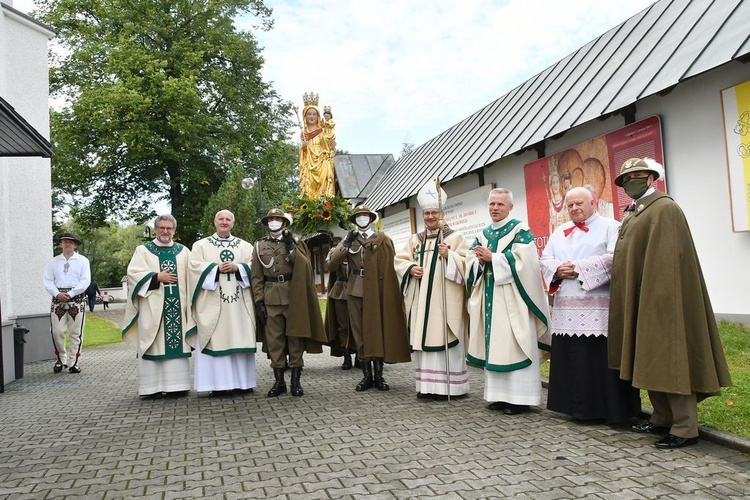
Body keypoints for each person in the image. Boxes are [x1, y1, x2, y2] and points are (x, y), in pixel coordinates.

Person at [607, 158, 732, 449]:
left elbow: (668, 261)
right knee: (650, 357)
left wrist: (660, 300)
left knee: (671, 359)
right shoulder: (636, 212)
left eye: (637, 176)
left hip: (663, 299)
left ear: (652, 177)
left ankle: (686, 428)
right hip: (641, 297)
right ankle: (661, 418)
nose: (631, 182)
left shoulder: (665, 209)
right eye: (626, 178)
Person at [540, 187, 640, 423]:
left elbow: (616, 258)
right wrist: (556, 269)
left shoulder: (611, 226)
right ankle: (574, 408)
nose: (574, 208)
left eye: (578, 203)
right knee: (572, 358)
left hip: (598, 307)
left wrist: (579, 267)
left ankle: (607, 410)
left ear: (593, 202)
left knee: (597, 360)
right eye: (570, 205)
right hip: (566, 308)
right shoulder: (559, 231)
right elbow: (544, 259)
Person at [466, 188, 551, 415]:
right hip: (490, 300)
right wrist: (480, 262)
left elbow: (528, 263)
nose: (495, 208)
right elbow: (470, 262)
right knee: (495, 348)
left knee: (515, 345)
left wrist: (493, 258)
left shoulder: (520, 230)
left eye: (500, 205)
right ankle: (499, 397)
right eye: (492, 204)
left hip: (514, 300)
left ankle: (520, 400)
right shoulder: (483, 233)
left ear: (510, 207)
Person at [394, 181, 470, 399]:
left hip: (446, 301)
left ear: (442, 214)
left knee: (446, 340)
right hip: (422, 303)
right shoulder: (415, 240)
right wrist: (410, 269)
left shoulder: (455, 238)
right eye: (426, 213)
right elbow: (399, 261)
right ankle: (426, 387)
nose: (429, 217)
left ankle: (452, 388)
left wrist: (450, 256)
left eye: (433, 213)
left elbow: (468, 264)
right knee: (424, 341)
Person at [328, 205, 411, 392]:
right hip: (355, 288)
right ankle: (366, 375)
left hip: (377, 289)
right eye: (359, 216)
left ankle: (379, 376)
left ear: (371, 218)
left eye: (365, 216)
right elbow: (332, 264)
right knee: (359, 332)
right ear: (354, 220)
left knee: (377, 330)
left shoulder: (383, 239)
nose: (362, 219)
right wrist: (346, 243)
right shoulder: (350, 240)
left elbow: (391, 266)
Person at [251, 208, 327, 397]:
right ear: (267, 223)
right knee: (274, 340)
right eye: (271, 219)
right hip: (270, 298)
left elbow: (305, 267)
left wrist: (291, 248)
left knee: (295, 338)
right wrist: (259, 300)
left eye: (278, 219)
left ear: (284, 223)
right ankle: (279, 382)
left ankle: (295, 381)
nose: (274, 222)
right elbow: (256, 276)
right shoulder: (260, 246)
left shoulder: (295, 242)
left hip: (294, 297)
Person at [188, 210, 257, 397]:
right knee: (215, 339)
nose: (224, 222)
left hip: (239, 307)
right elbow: (193, 268)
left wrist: (239, 268)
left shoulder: (245, 246)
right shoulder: (200, 246)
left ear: (233, 223)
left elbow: (256, 268)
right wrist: (214, 268)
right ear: (214, 222)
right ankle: (218, 385)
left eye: (228, 219)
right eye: (221, 219)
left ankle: (243, 383)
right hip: (211, 304)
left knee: (239, 338)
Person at [123, 215, 194, 398]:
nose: (165, 231)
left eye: (169, 228)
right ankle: (151, 388)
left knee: (176, 345)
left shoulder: (183, 251)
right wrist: (156, 278)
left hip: (178, 308)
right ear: (155, 229)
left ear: (174, 231)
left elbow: (193, 277)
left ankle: (178, 386)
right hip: (152, 309)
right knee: (153, 344)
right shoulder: (143, 251)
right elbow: (133, 274)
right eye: (161, 228)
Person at [43, 232, 91, 374]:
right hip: (58, 300)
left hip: (76, 300)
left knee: (76, 333)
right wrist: (57, 293)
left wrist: (71, 294)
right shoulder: (53, 262)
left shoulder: (83, 261)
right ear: (61, 244)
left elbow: (85, 280)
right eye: (65, 241)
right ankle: (61, 358)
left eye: (70, 242)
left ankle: (74, 362)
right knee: (56, 331)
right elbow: (48, 280)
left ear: (75, 244)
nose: (68, 244)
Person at [324, 237, 357, 370]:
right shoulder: (334, 253)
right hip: (340, 291)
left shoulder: (357, 250)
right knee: (343, 326)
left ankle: (360, 356)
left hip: (356, 288)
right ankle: (346, 356)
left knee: (358, 325)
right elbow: (331, 267)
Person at [299, 93, 336, 199]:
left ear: (318, 116)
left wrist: (332, 147)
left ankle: (324, 202)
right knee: (309, 184)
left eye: (314, 114)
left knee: (323, 184)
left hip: (322, 161)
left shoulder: (323, 133)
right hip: (309, 162)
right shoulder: (304, 135)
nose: (311, 116)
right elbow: (302, 153)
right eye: (309, 114)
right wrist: (303, 147)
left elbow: (330, 149)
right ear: (305, 116)